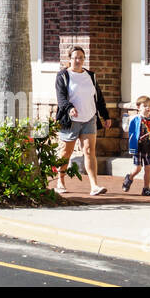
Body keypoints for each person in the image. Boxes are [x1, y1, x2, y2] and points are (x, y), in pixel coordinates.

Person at [54, 45, 113, 196]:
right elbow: (61, 98)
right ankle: (60, 181)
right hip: (71, 120)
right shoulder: (63, 76)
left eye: (81, 57)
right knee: (66, 152)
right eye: (75, 58)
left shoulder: (90, 76)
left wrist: (105, 116)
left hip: (89, 118)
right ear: (70, 59)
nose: (78, 60)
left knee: (89, 151)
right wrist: (69, 108)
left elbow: (98, 98)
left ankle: (94, 186)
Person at [123, 95, 150, 196]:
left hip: (149, 147)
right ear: (138, 107)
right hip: (138, 147)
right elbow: (126, 129)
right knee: (137, 168)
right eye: (145, 106)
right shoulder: (134, 119)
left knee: (148, 168)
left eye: (149, 106)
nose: (148, 108)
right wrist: (125, 120)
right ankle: (129, 178)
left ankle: (146, 188)